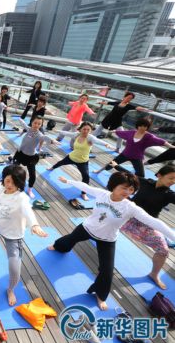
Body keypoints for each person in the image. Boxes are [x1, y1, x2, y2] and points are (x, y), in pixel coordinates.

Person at [48, 172, 175, 310]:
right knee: (69, 239)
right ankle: (58, 246)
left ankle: (100, 295)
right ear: (114, 186)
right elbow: (84, 186)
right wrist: (68, 181)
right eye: (124, 187)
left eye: (131, 189)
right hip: (87, 228)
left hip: (107, 239)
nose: (127, 192)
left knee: (107, 271)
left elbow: (155, 222)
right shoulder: (102, 194)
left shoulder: (130, 207)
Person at [0, 165, 48, 306]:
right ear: (4, 180)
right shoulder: (0, 188)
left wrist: (35, 225)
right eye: (7, 181)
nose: (10, 185)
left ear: (20, 183)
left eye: (14, 182)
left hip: (13, 236)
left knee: (14, 269)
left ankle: (10, 289)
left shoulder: (21, 198)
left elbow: (28, 211)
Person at [110, 161, 175, 289]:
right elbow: (128, 175)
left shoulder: (169, 194)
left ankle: (154, 274)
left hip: (146, 224)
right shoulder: (144, 182)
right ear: (159, 175)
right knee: (102, 223)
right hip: (127, 217)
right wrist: (116, 165)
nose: (173, 181)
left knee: (163, 249)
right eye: (171, 178)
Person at [48, 122, 113, 201]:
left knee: (86, 177)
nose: (86, 131)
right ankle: (52, 168)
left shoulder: (90, 138)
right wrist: (57, 131)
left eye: (88, 129)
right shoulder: (76, 134)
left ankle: (83, 193)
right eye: (84, 129)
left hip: (82, 161)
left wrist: (106, 144)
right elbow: (67, 133)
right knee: (60, 163)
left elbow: (97, 141)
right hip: (72, 157)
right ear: (80, 129)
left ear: (90, 130)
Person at [93, 117, 174, 177]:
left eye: (145, 126)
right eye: (141, 126)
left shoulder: (149, 136)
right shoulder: (131, 132)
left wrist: (171, 146)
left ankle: (135, 183)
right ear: (138, 126)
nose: (143, 128)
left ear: (147, 127)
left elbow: (161, 141)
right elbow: (121, 133)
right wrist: (114, 131)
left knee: (141, 175)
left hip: (137, 157)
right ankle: (98, 171)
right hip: (125, 154)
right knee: (110, 164)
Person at [14, 117, 57, 198]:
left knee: (33, 175)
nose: (36, 125)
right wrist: (19, 118)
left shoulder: (39, 135)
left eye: (39, 124)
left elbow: (45, 137)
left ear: (41, 125)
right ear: (32, 122)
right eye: (35, 123)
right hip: (20, 154)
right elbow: (23, 124)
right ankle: (9, 181)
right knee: (13, 169)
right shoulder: (29, 129)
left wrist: (53, 141)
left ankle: (30, 189)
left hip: (31, 157)